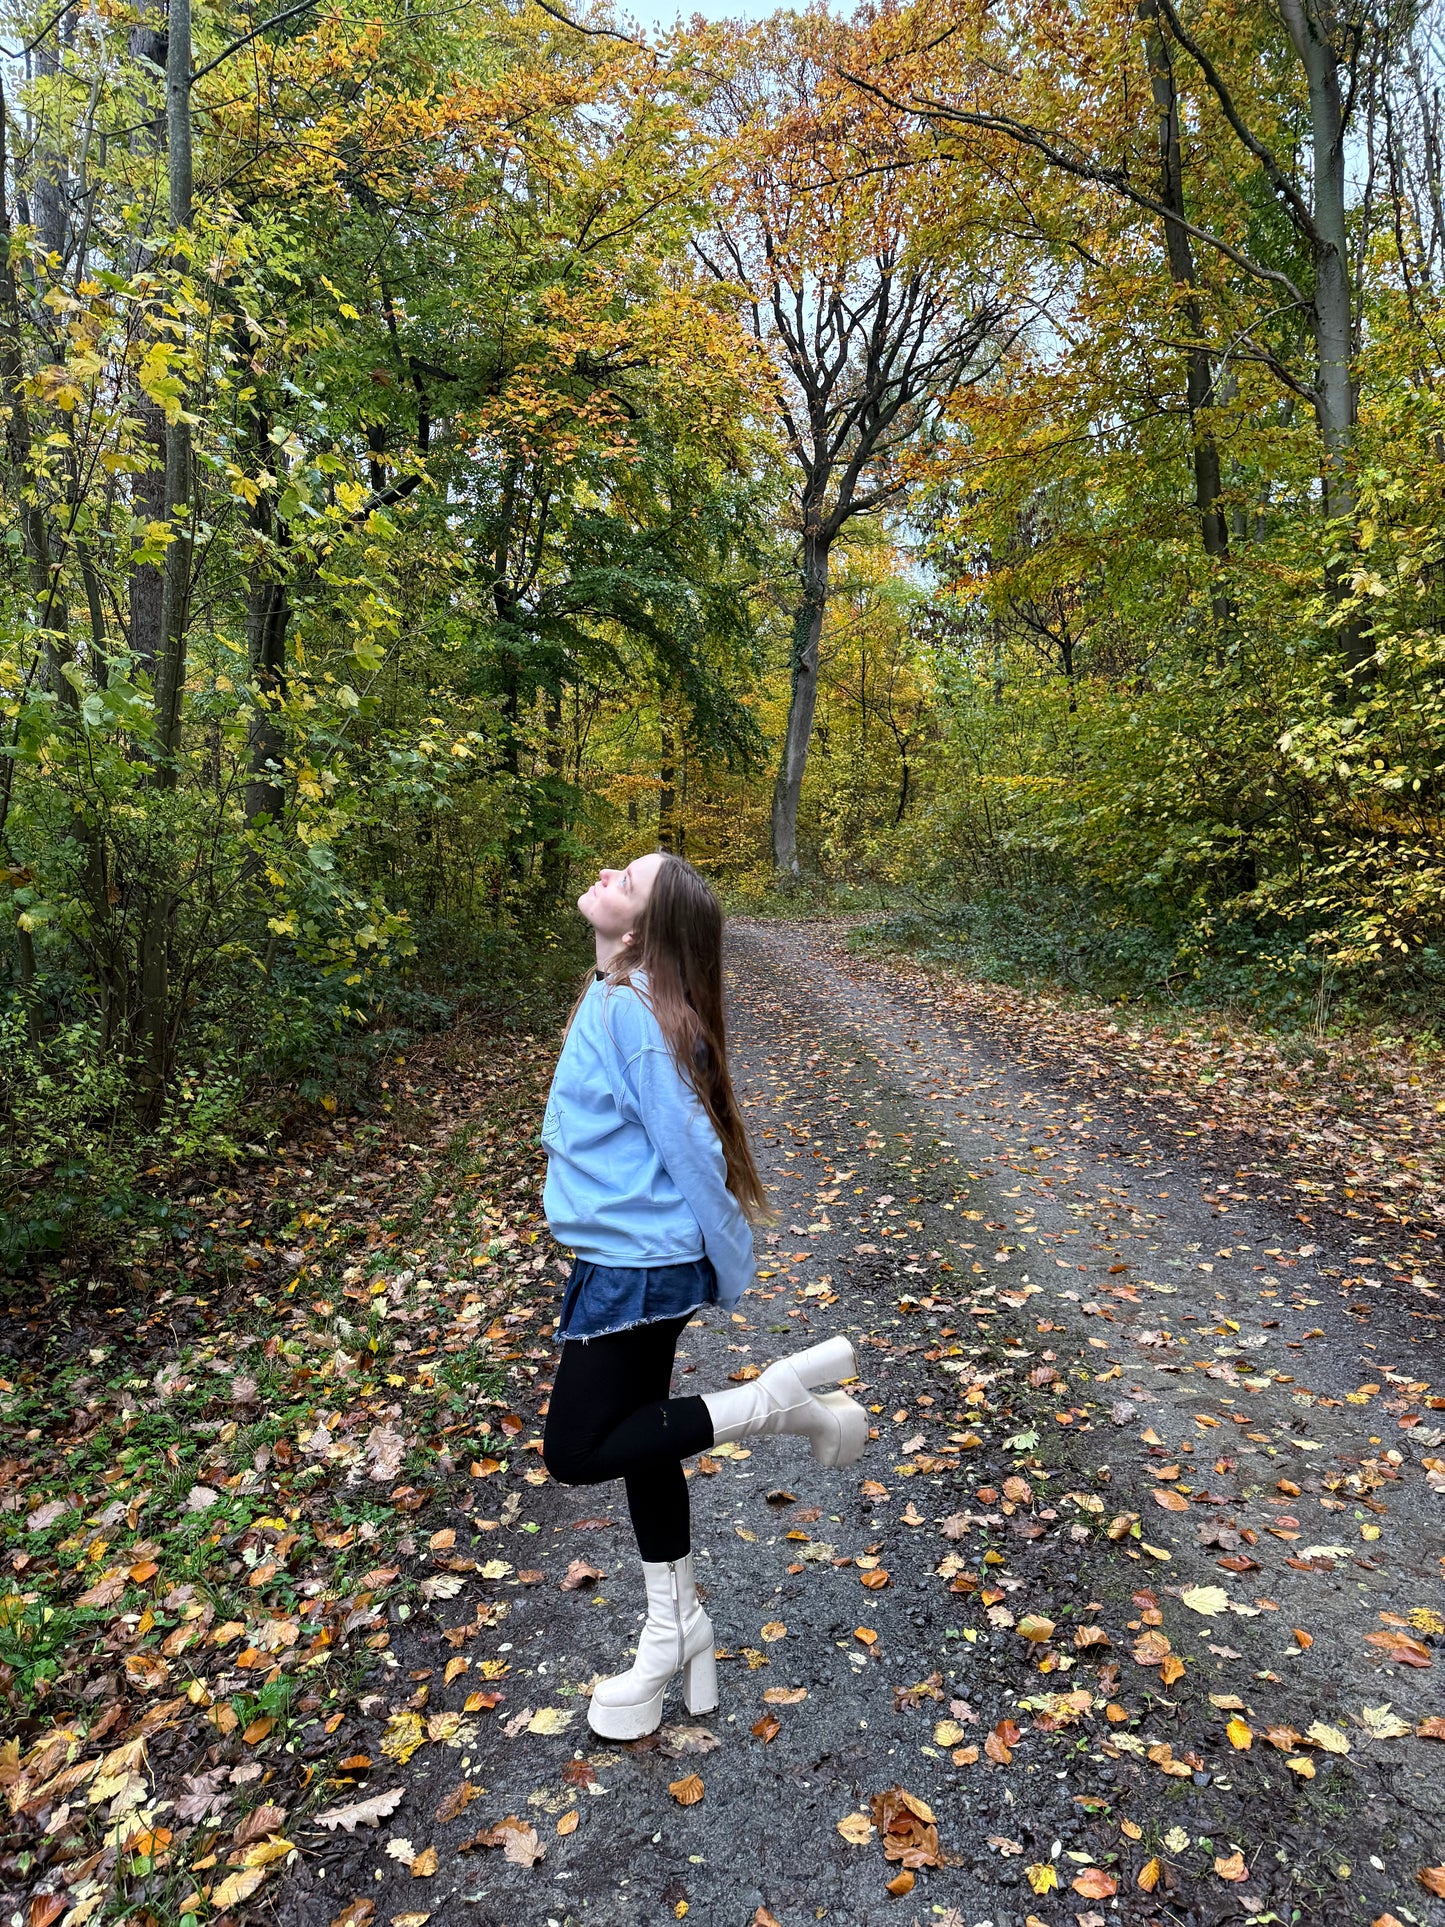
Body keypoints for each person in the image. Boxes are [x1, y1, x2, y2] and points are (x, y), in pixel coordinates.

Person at [540, 851, 867, 1740]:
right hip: (630, 1260)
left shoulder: (627, 1011)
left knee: (575, 1450)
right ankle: (672, 1629)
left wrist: (726, 1262)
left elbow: (694, 1151)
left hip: (635, 1267)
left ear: (642, 930)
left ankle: (775, 1402)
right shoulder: (618, 995)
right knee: (644, 1442)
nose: (607, 871)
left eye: (628, 880)